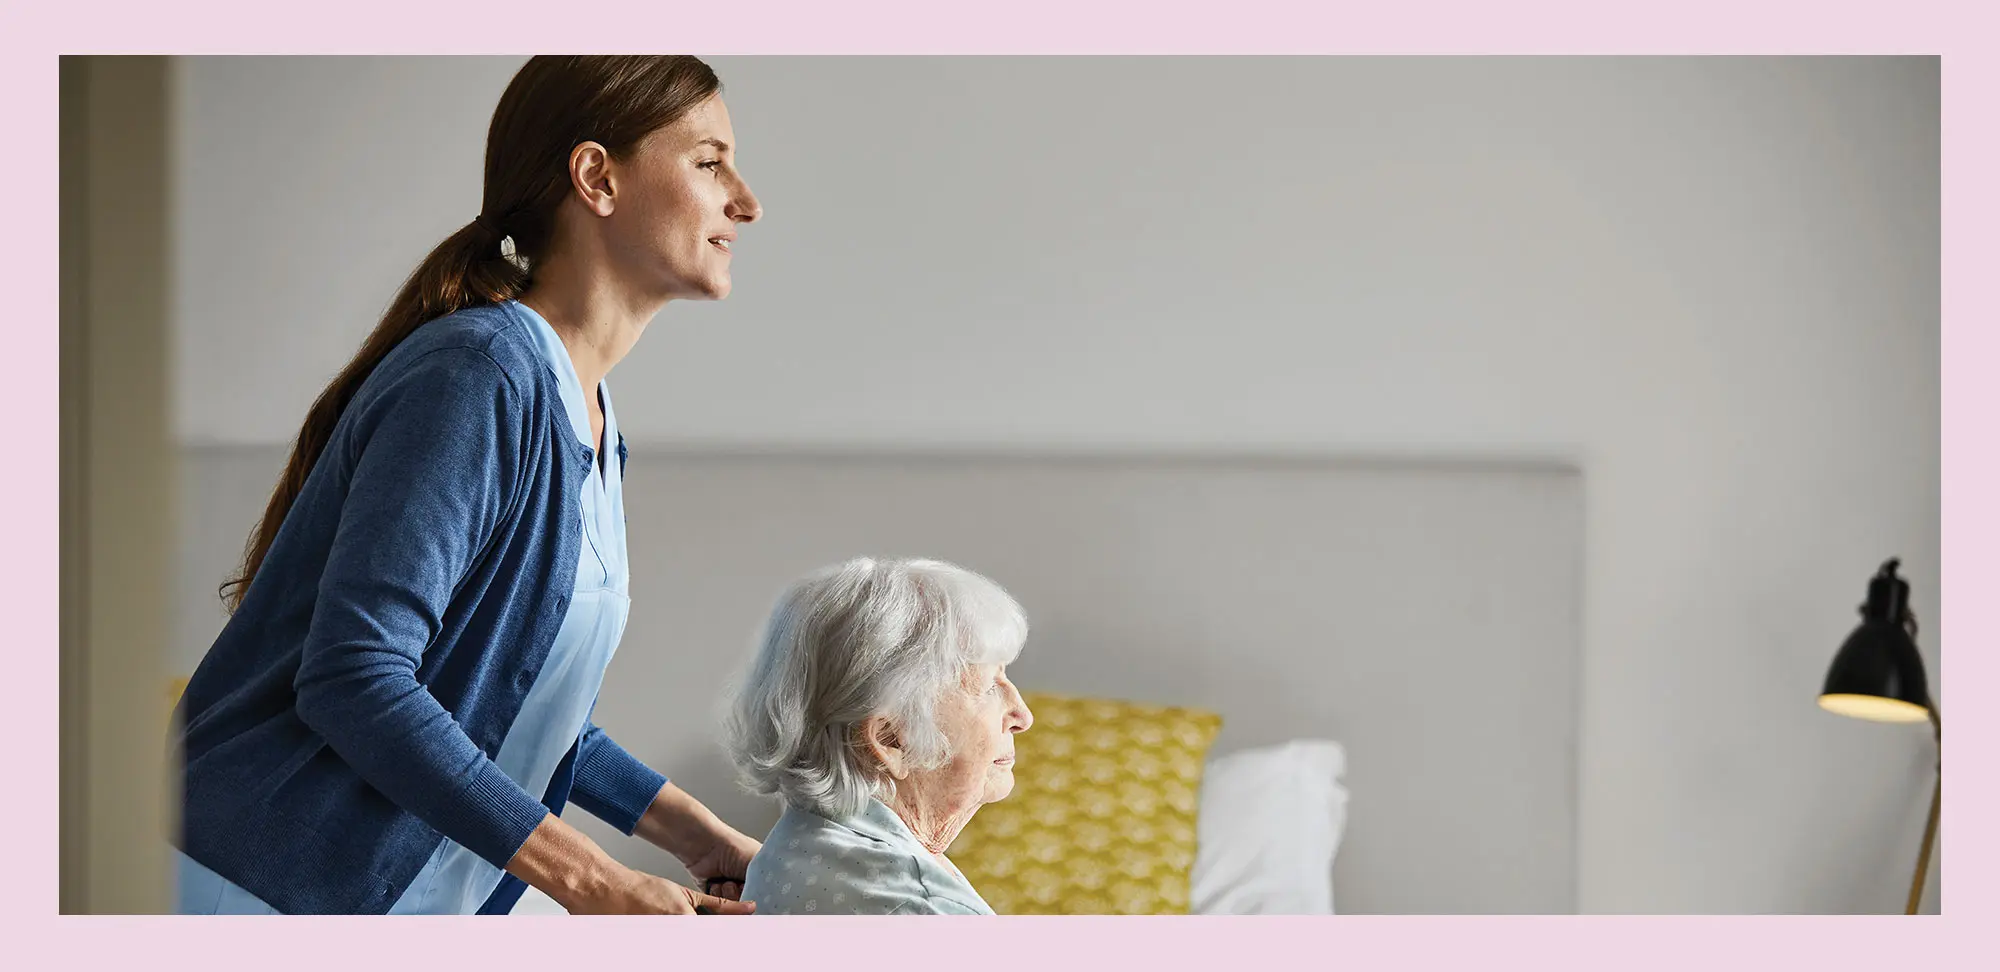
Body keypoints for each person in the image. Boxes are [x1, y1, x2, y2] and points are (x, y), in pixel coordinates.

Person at [170, 55, 764, 915]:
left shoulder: (592, 416)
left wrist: (700, 837)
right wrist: (593, 878)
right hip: (261, 891)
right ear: (597, 177)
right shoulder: (480, 376)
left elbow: (508, 702)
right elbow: (356, 677)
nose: (745, 200)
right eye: (710, 163)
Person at [723, 558, 1035, 914]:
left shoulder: (793, 844)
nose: (1022, 716)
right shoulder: (925, 909)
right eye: (987, 688)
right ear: (891, 740)